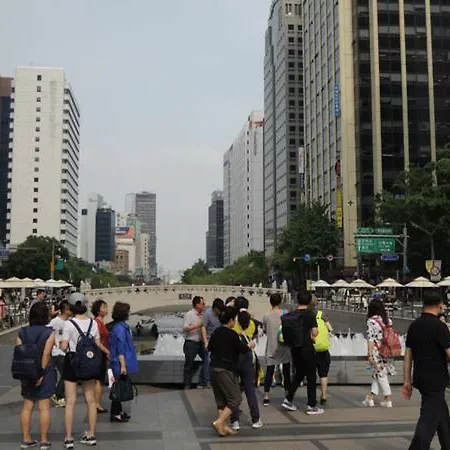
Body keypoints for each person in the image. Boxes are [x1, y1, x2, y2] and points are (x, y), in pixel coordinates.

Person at [403, 290, 450, 449]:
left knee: (441, 415)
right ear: (439, 305)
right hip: (436, 380)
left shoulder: (414, 325)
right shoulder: (439, 327)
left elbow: (408, 355)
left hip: (420, 377)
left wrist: (407, 380)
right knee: (428, 420)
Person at [60, 293, 101, 448]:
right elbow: (97, 345)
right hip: (88, 363)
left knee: (70, 402)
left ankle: (69, 438)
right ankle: (91, 435)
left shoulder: (68, 324)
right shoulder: (93, 323)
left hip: (71, 362)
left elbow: (64, 346)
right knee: (91, 401)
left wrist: (60, 344)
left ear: (71, 307)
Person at [208, 306, 253, 437]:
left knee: (221, 400)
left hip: (213, 368)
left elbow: (209, 347)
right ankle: (219, 422)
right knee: (235, 398)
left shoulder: (216, 332)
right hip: (225, 370)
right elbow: (242, 349)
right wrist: (249, 345)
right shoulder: (232, 334)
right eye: (234, 320)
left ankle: (222, 428)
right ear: (231, 320)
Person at [18, 302, 56, 450]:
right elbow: (46, 354)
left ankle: (26, 439)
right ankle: (44, 441)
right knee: (44, 407)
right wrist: (40, 372)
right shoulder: (49, 332)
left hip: (27, 372)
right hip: (44, 372)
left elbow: (19, 352)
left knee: (27, 406)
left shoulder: (22, 332)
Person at [282, 293, 323, 415]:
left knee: (299, 374)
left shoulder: (291, 315)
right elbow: (315, 332)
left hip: (294, 348)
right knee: (311, 377)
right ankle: (311, 405)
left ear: (297, 300)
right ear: (309, 301)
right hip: (306, 348)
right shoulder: (310, 314)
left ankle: (288, 399)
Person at [230, 310, 263, 430]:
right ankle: (256, 419)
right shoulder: (252, 326)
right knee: (250, 392)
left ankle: (235, 421)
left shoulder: (233, 327)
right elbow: (255, 335)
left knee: (234, 392)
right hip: (247, 361)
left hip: (235, 360)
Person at [109, 302, 138, 423]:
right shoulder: (120, 329)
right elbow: (120, 349)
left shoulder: (121, 327)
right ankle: (115, 413)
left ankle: (118, 411)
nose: (129, 313)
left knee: (118, 386)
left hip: (119, 361)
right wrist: (123, 365)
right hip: (119, 362)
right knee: (118, 387)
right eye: (128, 311)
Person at [362, 299, 395, 408]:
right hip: (387, 350)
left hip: (377, 351)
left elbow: (371, 338)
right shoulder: (388, 321)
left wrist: (369, 354)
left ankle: (388, 399)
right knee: (378, 373)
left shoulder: (371, 321)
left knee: (381, 374)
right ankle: (370, 398)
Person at [262, 293, 291, 407]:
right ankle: (287, 395)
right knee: (286, 372)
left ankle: (266, 396)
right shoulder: (286, 313)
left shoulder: (266, 315)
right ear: (280, 302)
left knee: (269, 372)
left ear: (270, 302)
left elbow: (265, 330)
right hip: (284, 347)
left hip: (271, 347)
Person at [48, 299, 72, 408]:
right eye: (69, 309)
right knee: (65, 373)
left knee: (64, 373)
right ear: (65, 310)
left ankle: (57, 394)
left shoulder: (70, 321)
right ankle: (58, 395)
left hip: (65, 352)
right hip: (56, 352)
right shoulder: (55, 322)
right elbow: (48, 333)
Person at [91, 299, 110, 414]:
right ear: (98, 310)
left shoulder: (100, 322)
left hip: (100, 353)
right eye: (104, 307)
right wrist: (107, 351)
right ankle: (96, 404)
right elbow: (97, 341)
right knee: (98, 380)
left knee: (99, 380)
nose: (106, 309)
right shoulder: (97, 323)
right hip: (99, 354)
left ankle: (95, 403)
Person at [183, 296, 206, 388]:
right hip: (191, 342)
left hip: (201, 343)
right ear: (197, 305)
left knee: (207, 359)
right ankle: (187, 384)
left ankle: (202, 382)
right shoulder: (189, 314)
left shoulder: (203, 315)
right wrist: (196, 326)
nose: (204, 305)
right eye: (202, 303)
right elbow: (185, 328)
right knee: (189, 363)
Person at [201, 298, 225, 388]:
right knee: (208, 361)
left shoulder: (222, 313)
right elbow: (203, 327)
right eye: (219, 310)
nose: (220, 312)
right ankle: (207, 382)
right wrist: (205, 342)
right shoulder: (207, 313)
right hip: (209, 340)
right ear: (214, 308)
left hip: (219, 340)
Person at [312, 305, 333, 405]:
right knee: (323, 375)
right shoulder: (321, 314)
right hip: (323, 350)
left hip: (312, 349)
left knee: (311, 375)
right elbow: (330, 329)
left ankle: (312, 397)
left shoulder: (307, 315)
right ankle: (323, 396)